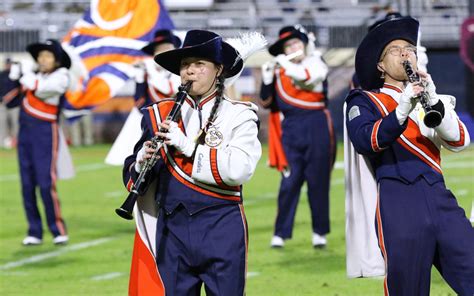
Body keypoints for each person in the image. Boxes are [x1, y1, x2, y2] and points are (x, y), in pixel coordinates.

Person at [122, 30, 266, 295]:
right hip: (171, 230)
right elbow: (131, 172)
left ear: (218, 70)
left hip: (221, 225)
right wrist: (141, 163)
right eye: (185, 65)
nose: (190, 72)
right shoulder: (158, 114)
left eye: (200, 64)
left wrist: (187, 145)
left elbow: (239, 170)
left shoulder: (240, 115)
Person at [345, 16, 474, 294]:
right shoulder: (366, 100)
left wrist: (433, 100)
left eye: (410, 49)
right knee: (408, 288)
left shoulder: (428, 95)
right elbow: (366, 140)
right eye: (395, 49)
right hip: (399, 200)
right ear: (380, 65)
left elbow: (460, 140)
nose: (405, 53)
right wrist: (402, 109)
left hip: (440, 196)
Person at [260, 24, 336, 248]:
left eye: (296, 43)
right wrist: (266, 81)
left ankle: (319, 232)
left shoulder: (317, 62)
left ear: (304, 44)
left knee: (318, 181)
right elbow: (267, 102)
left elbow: (308, 78)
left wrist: (282, 63)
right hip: (291, 129)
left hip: (318, 125)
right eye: (288, 45)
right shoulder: (279, 71)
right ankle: (280, 233)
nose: (293, 47)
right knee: (289, 182)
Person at [7, 39, 71, 246]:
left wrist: (23, 74)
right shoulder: (31, 76)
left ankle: (57, 229)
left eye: (48, 56)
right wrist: (11, 76)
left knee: (45, 183)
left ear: (56, 60)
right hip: (25, 133)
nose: (43, 60)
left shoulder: (61, 76)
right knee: (27, 185)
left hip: (45, 132)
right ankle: (34, 230)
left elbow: (41, 88)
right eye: (40, 56)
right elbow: (10, 100)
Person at [105, 30, 181, 166]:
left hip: (177, 120)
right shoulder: (145, 72)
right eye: (160, 50)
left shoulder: (181, 72)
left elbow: (171, 90)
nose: (163, 52)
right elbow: (139, 100)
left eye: (167, 48)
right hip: (152, 120)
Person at [0, 58, 20, 148]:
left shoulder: (17, 75)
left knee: (16, 125)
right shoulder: (1, 75)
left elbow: (20, 88)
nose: (8, 65)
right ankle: (1, 143)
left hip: (15, 104)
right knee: (2, 124)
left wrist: (12, 95)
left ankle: (17, 143)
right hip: (3, 104)